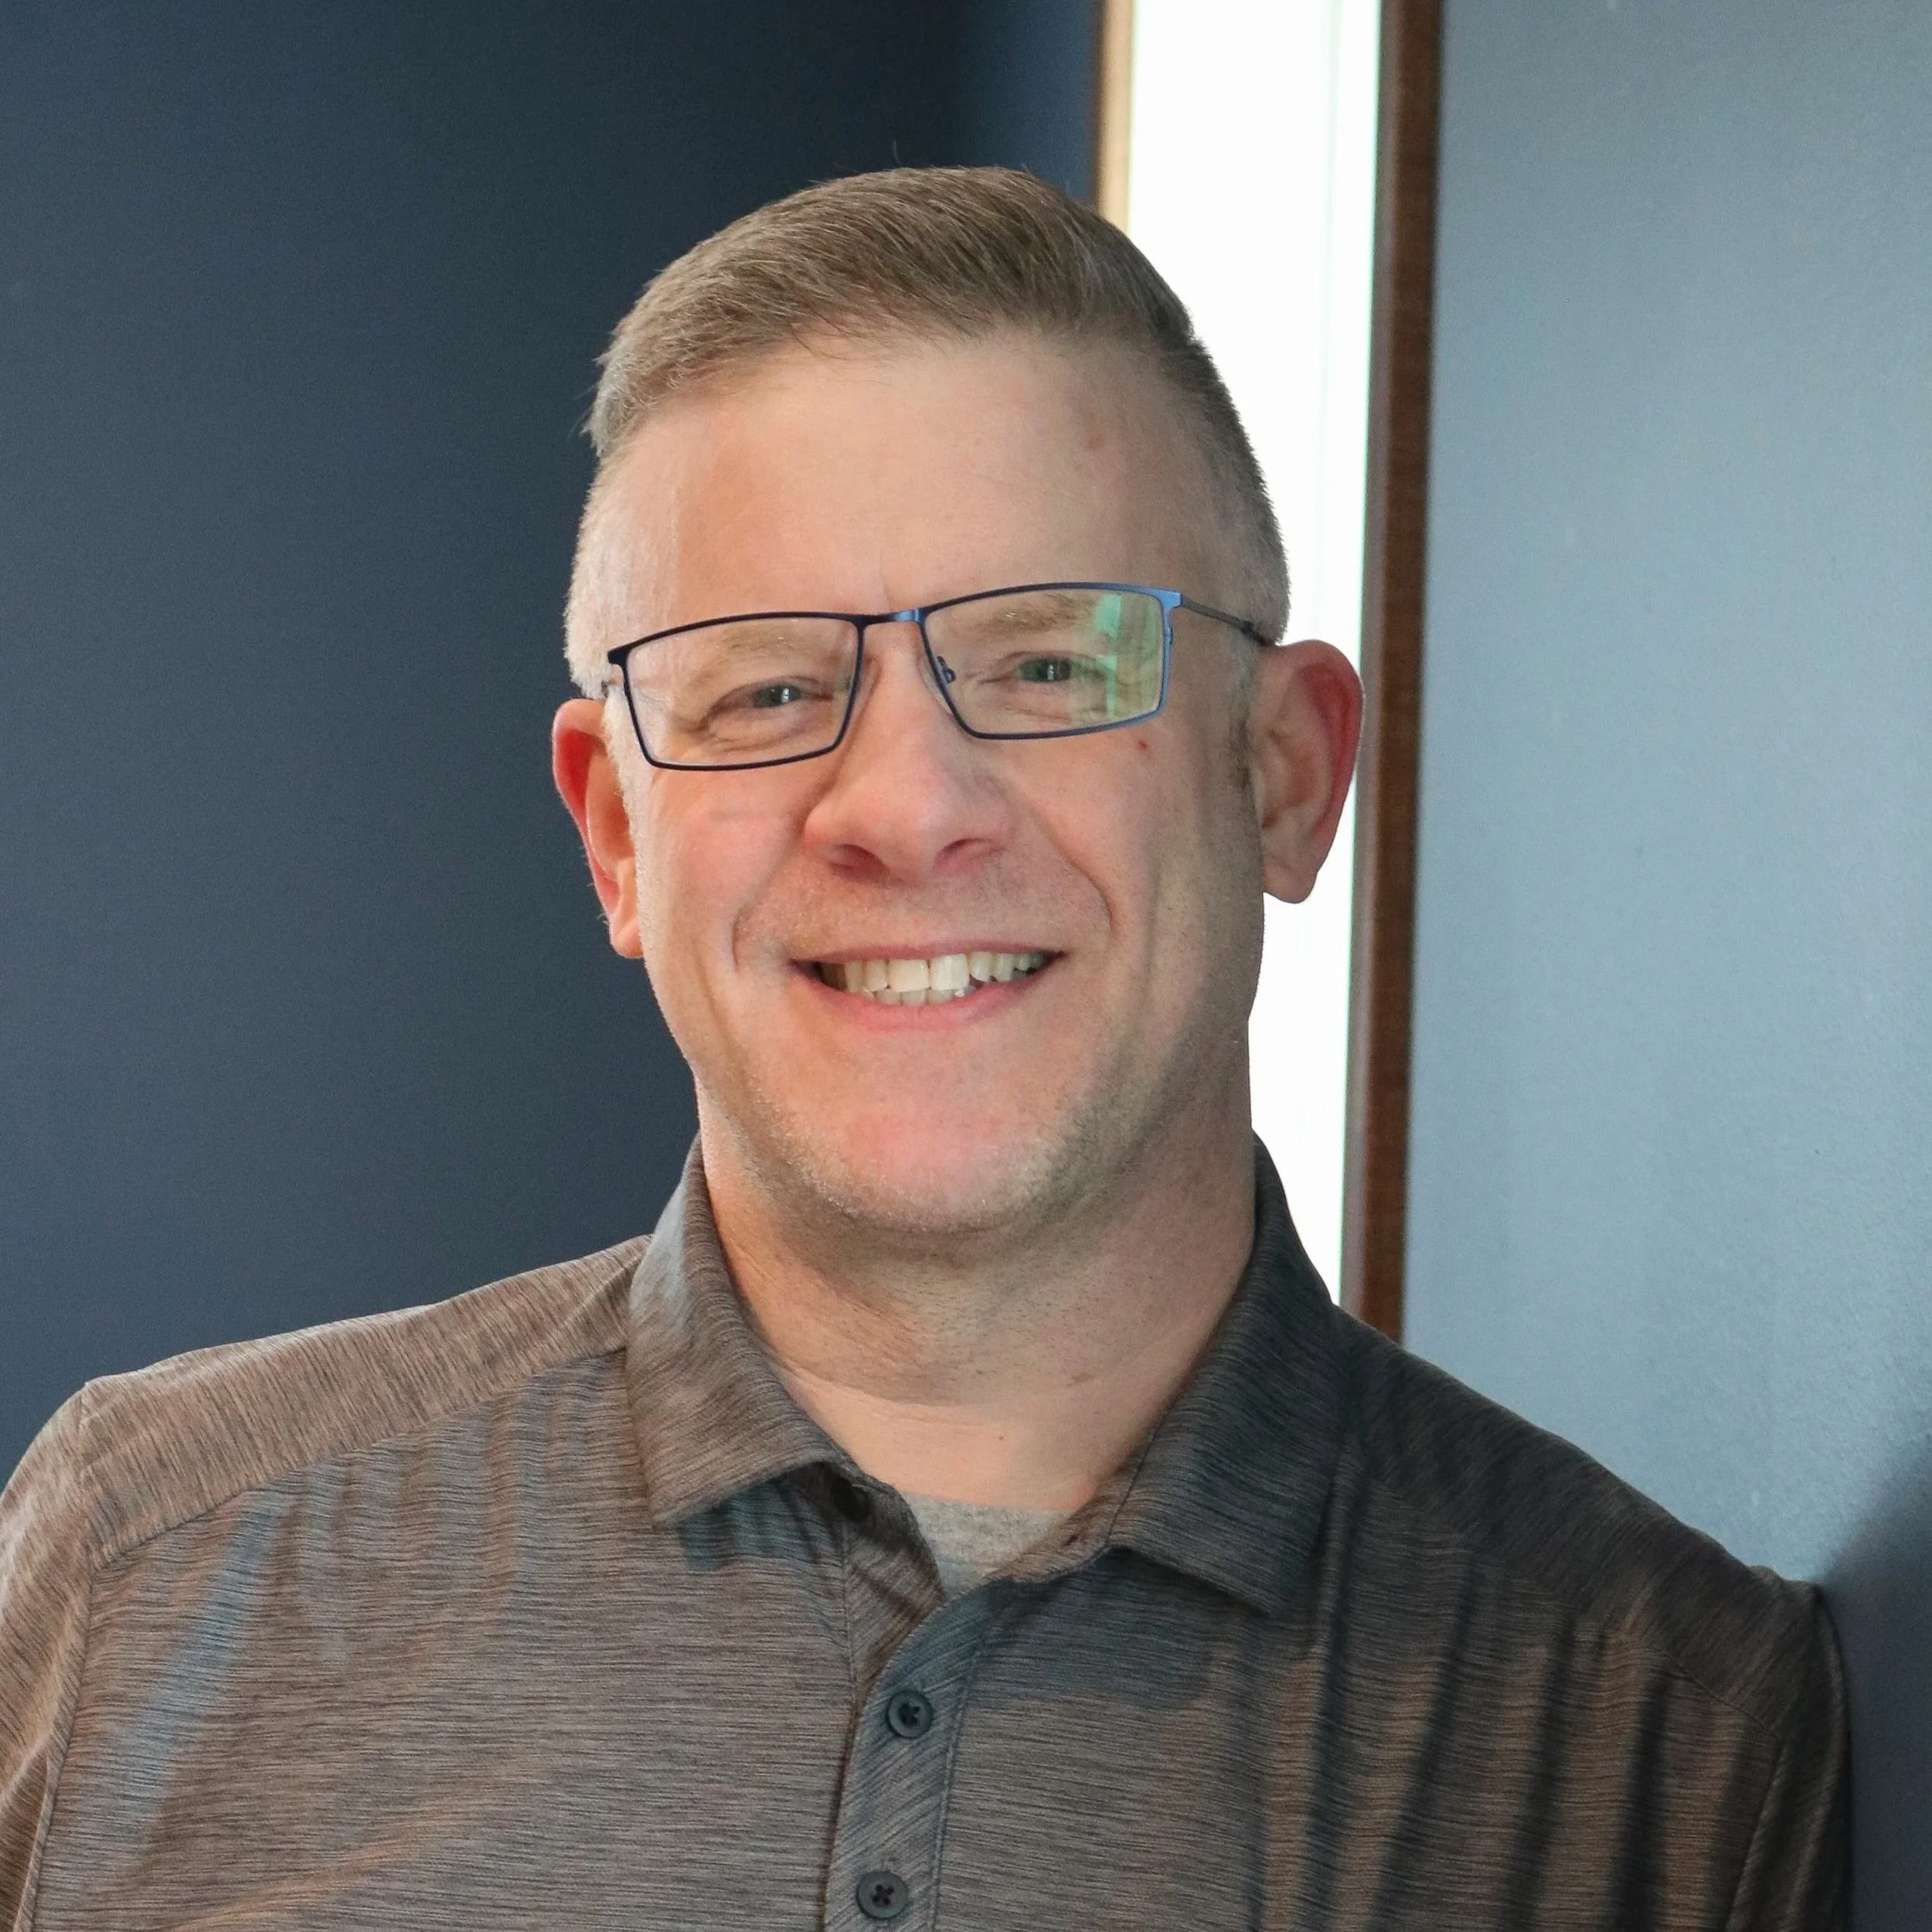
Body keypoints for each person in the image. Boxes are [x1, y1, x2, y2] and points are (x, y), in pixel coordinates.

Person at [0, 168, 1844, 1930]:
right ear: (617, 834)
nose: (901, 804)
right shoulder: (145, 1566)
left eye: (1047, 662)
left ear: (1284, 773)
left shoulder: (1669, 1735)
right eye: (770, 687)